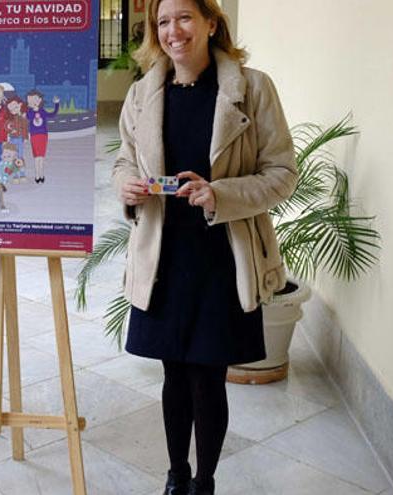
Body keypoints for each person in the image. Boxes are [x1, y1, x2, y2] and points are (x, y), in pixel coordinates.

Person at [112, 1, 298, 494]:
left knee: (208, 379)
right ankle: (177, 474)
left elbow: (282, 176)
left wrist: (221, 194)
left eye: (185, 17)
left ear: (211, 22)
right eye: (163, 21)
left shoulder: (251, 89)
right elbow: (123, 161)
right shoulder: (141, 94)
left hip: (222, 256)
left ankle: (206, 482)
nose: (174, 31)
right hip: (163, 258)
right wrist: (127, 186)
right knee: (174, 374)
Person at [26, 90, 60, 183]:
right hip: (34, 135)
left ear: (40, 100)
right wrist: (30, 108)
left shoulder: (42, 111)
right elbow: (28, 116)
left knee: (41, 156)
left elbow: (53, 114)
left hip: (43, 135)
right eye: (30, 100)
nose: (33, 102)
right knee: (36, 156)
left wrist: (56, 104)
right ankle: (37, 175)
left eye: (35, 100)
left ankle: (41, 174)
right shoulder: (30, 112)